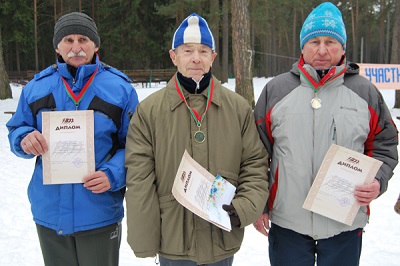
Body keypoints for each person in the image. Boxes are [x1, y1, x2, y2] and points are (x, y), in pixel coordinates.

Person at [253, 2, 398, 265]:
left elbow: (385, 145)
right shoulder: (276, 90)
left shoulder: (365, 93)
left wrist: (377, 181)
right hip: (288, 224)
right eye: (314, 41)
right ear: (302, 47)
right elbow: (256, 154)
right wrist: (259, 204)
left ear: (343, 47)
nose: (322, 50)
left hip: (344, 224)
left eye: (330, 41)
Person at [124, 13, 269, 266]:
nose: (195, 58)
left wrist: (242, 210)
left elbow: (255, 165)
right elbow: (140, 180)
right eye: (187, 50)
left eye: (203, 51)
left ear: (213, 57)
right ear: (174, 56)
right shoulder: (148, 112)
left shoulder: (238, 109)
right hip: (173, 241)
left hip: (221, 239)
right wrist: (145, 240)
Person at [7, 12, 138, 266]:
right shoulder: (37, 87)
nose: (76, 47)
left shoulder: (120, 88)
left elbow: (137, 145)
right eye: (68, 40)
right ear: (57, 46)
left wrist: (112, 175)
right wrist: (24, 139)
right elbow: (17, 128)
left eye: (83, 39)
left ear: (95, 45)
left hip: (99, 210)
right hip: (49, 211)